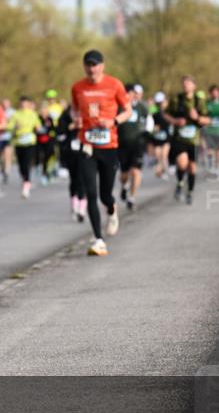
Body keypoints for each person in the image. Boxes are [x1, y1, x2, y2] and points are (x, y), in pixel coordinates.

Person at [71, 49, 132, 257]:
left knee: (105, 194)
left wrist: (113, 121)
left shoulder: (114, 84)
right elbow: (74, 109)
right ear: (84, 66)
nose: (91, 68)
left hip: (109, 146)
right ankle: (99, 240)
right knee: (90, 192)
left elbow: (128, 111)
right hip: (87, 145)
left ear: (102, 66)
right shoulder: (77, 87)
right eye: (88, 64)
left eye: (95, 64)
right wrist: (76, 118)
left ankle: (112, 209)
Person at [163, 75, 209, 205]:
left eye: (188, 83)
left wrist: (197, 118)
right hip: (180, 138)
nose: (186, 85)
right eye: (184, 83)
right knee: (182, 163)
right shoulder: (176, 99)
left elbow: (207, 120)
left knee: (192, 168)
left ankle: (190, 192)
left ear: (194, 86)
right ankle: (180, 182)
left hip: (194, 139)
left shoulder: (199, 101)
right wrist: (175, 121)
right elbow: (166, 114)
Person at [117, 83, 150, 211]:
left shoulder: (142, 107)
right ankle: (125, 186)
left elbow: (149, 122)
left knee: (136, 172)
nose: (131, 95)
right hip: (122, 144)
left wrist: (147, 136)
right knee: (124, 174)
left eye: (132, 93)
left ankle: (132, 197)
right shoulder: (119, 107)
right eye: (127, 93)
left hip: (137, 145)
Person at [55, 102, 85, 221]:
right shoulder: (64, 116)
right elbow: (59, 133)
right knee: (74, 180)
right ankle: (74, 204)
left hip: (84, 151)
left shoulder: (86, 113)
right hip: (70, 152)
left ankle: (82, 209)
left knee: (83, 179)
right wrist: (70, 127)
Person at [8, 96, 42, 199]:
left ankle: (26, 183)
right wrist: (14, 127)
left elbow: (38, 126)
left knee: (27, 163)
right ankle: (25, 179)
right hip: (19, 142)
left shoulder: (33, 114)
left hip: (30, 142)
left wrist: (37, 128)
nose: (23, 105)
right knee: (21, 165)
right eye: (21, 103)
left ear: (28, 104)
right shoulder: (16, 115)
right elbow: (9, 127)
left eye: (25, 103)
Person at [149, 91, 172, 179]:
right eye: (159, 103)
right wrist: (154, 128)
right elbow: (151, 124)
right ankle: (161, 171)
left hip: (166, 137)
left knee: (164, 155)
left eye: (162, 102)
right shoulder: (154, 112)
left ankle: (165, 170)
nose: (161, 104)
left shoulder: (169, 112)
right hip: (157, 138)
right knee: (158, 156)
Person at [35, 101, 56, 185]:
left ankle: (46, 173)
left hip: (48, 140)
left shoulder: (50, 118)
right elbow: (35, 128)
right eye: (42, 109)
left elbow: (53, 129)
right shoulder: (37, 117)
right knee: (39, 155)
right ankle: (38, 167)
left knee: (47, 157)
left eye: (45, 109)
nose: (43, 111)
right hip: (39, 140)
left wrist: (51, 133)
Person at [0, 97, 15, 185]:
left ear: (9, 104)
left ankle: (7, 172)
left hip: (9, 137)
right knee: (1, 157)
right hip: (0, 137)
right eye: (3, 104)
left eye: (6, 104)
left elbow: (15, 123)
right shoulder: (0, 111)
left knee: (7, 155)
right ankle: (3, 170)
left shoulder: (13, 112)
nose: (5, 105)